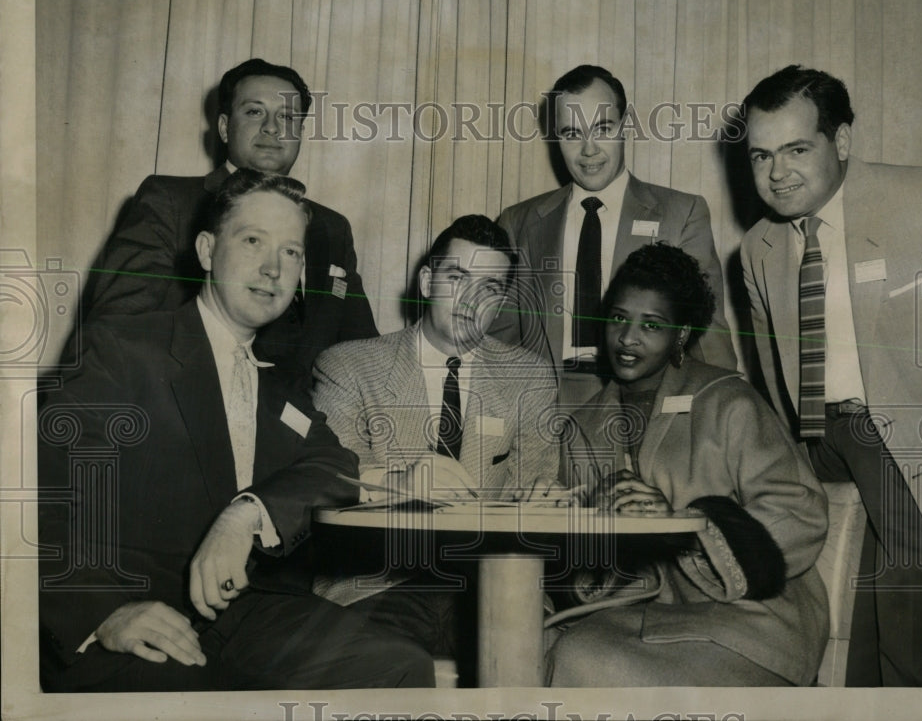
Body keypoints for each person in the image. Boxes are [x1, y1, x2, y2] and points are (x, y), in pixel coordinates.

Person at [38, 169, 434, 691]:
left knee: (400, 667)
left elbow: (335, 465)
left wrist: (246, 513)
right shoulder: (126, 349)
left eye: (291, 253)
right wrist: (103, 613)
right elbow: (33, 498)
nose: (273, 268)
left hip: (250, 612)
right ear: (206, 250)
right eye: (253, 241)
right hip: (136, 611)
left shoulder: (281, 390)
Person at [739, 64, 922, 686]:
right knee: (833, 619)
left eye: (796, 149)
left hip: (909, 435)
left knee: (916, 624)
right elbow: (767, 374)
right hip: (815, 442)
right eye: (761, 156)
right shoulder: (755, 247)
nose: (777, 173)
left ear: (842, 141)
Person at [548, 243, 829, 686]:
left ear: (680, 334)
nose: (628, 338)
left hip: (749, 622)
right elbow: (571, 564)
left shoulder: (728, 401)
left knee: (588, 663)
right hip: (637, 616)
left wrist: (683, 525)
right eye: (619, 318)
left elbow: (801, 511)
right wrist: (592, 519)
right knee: (548, 652)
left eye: (652, 325)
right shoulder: (580, 427)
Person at [311, 215, 561, 667]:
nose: (469, 300)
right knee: (383, 670)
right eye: (457, 278)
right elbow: (325, 481)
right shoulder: (348, 366)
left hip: (492, 582)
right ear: (427, 282)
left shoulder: (531, 377)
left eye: (489, 287)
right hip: (379, 581)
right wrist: (402, 481)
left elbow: (535, 492)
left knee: (541, 668)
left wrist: (546, 499)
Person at [82, 58, 377, 382]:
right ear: (224, 127)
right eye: (254, 112)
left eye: (287, 117)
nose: (272, 127)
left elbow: (362, 352)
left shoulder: (332, 228)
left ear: (301, 133)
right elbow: (116, 327)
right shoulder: (169, 201)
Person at [496, 64, 736, 404]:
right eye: (571, 133)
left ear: (625, 127)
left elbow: (707, 334)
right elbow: (498, 341)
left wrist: (725, 408)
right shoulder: (518, 222)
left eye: (602, 128)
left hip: (645, 407)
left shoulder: (681, 214)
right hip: (540, 411)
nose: (589, 149)